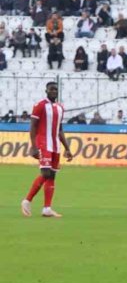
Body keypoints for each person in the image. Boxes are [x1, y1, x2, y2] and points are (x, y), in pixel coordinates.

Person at [21, 82, 72, 218]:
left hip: (56, 145)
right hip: (43, 143)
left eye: (56, 89)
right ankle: (27, 200)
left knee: (52, 175)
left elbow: (60, 130)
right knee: (45, 173)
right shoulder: (40, 105)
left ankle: (47, 208)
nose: (54, 91)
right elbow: (33, 126)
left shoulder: (60, 107)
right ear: (46, 91)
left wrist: (67, 148)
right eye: (51, 89)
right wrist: (33, 145)